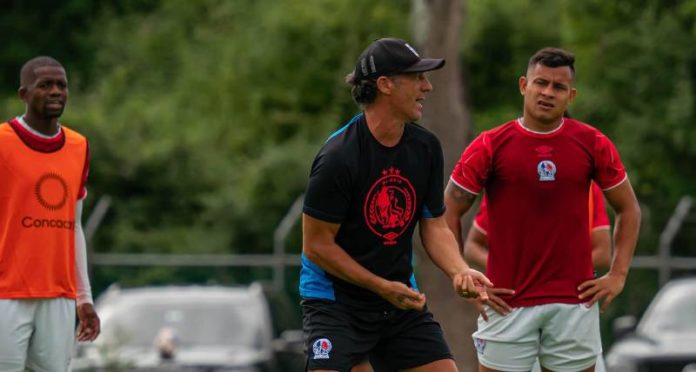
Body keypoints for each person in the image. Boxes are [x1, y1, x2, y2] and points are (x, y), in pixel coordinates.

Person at [299, 37, 491, 372]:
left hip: (398, 299)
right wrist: (380, 286)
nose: (427, 87)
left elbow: (434, 224)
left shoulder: (425, 147)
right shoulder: (339, 157)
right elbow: (316, 246)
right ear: (385, 84)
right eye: (417, 78)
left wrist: (459, 270)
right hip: (335, 304)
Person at [444, 47, 641, 372]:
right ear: (524, 85)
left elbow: (629, 209)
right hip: (506, 303)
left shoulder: (593, 143)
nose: (548, 92)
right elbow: (448, 212)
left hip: (574, 304)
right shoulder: (489, 145)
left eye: (558, 87)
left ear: (571, 95)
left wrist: (618, 275)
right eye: (541, 83)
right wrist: (461, 272)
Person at [0, 56, 100, 371]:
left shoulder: (78, 146)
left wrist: (84, 298)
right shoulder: (2, 143)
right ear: (24, 94)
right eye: (45, 85)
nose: (56, 91)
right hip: (6, 293)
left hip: (59, 295)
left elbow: (75, 227)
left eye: (61, 85)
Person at [463, 182, 611, 372]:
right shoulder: (508, 183)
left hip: (571, 311)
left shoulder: (586, 185)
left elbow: (604, 252)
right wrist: (502, 271)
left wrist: (551, 273)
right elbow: (472, 245)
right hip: (515, 308)